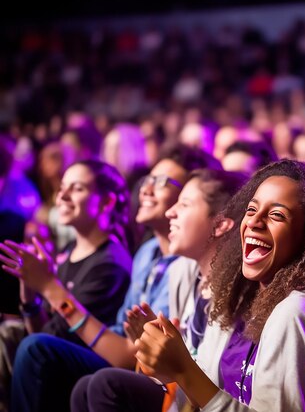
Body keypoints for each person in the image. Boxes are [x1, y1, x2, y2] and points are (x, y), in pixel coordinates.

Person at [110, 160, 305, 411]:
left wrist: (184, 368)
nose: (253, 221)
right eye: (252, 209)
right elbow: (201, 397)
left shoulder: (299, 313)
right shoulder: (238, 298)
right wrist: (166, 368)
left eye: (276, 215)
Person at [7, 145, 219, 412]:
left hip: (147, 374)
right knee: (16, 339)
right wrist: (31, 297)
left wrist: (49, 287)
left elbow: (128, 355)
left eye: (161, 183)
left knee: (40, 351)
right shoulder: (147, 252)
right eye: (147, 181)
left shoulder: (132, 264)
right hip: (122, 360)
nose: (145, 190)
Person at [70, 168, 248, 412]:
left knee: (104, 383)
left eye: (183, 205)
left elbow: (204, 381)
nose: (170, 212)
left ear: (220, 225)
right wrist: (151, 353)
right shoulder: (183, 275)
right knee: (83, 387)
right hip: (183, 399)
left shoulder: (235, 296)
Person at [0, 160, 133, 412]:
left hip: (91, 371)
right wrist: (29, 296)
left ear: (106, 202)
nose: (62, 195)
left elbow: (48, 342)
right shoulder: (69, 252)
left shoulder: (110, 265)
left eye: (77, 188)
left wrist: (47, 284)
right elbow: (41, 331)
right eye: (62, 187)